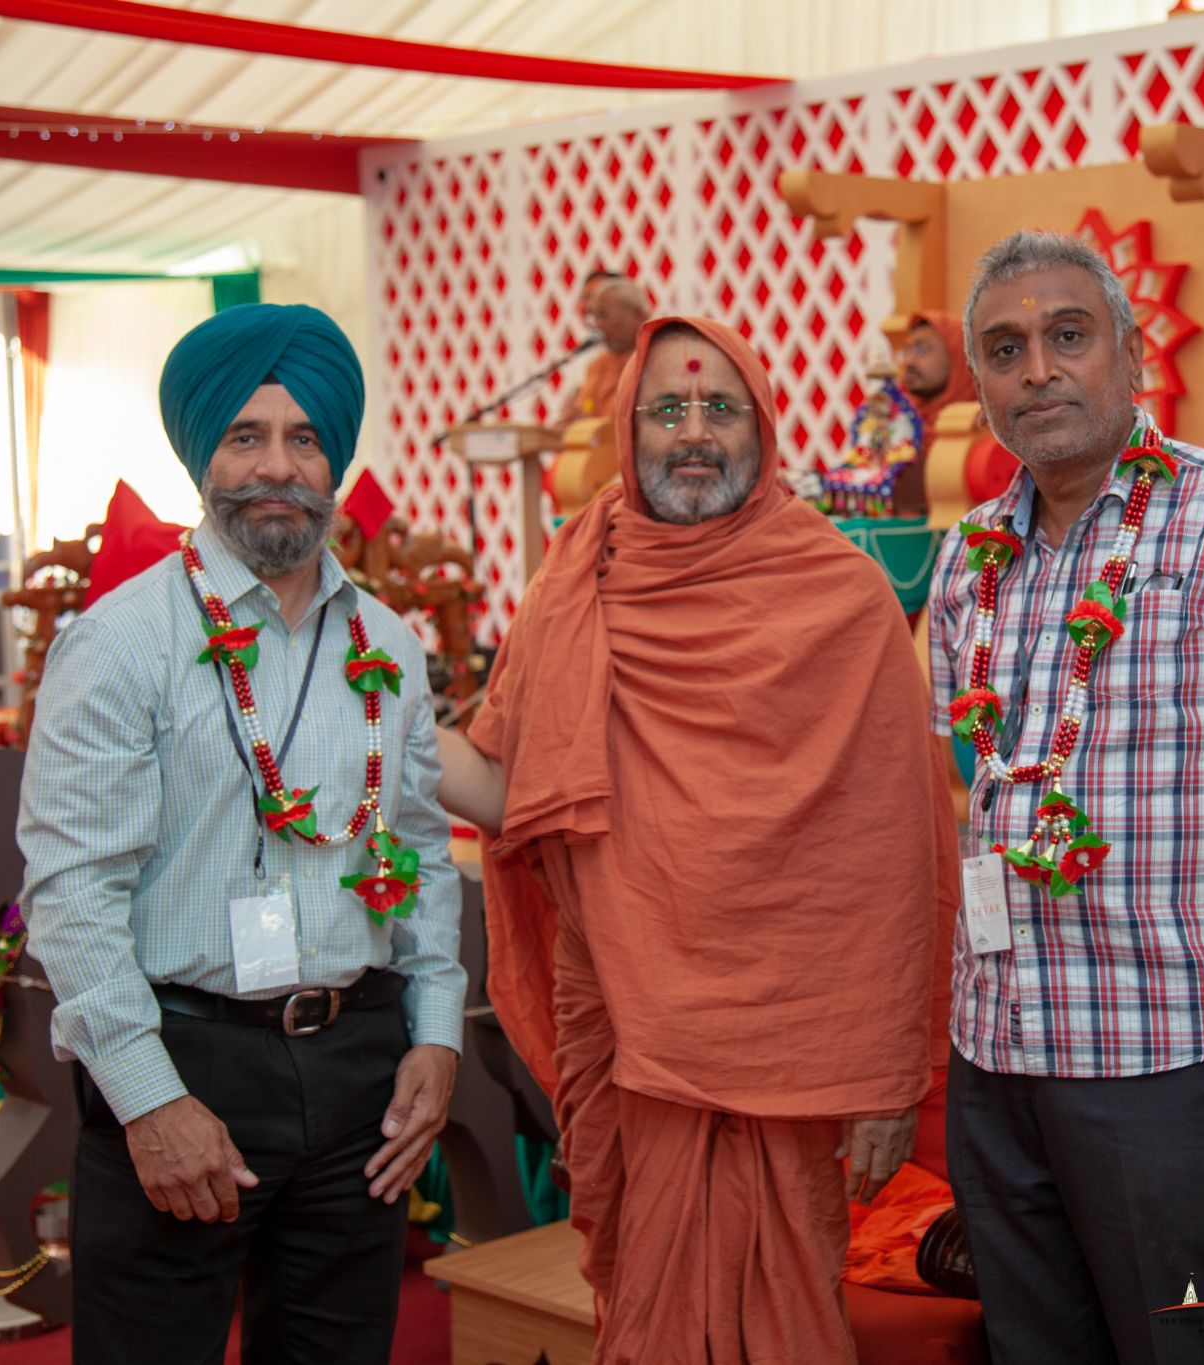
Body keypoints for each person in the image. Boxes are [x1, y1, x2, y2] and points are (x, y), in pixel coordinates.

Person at [439, 316, 956, 1365]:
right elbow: (510, 790)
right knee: (642, 1302)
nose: (691, 432)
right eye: (665, 409)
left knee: (781, 1316)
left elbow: (894, 863)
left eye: (719, 407)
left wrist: (888, 1079)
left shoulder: (842, 601)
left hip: (784, 1048)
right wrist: (363, 695)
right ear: (626, 432)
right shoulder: (569, 590)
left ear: (762, 428)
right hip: (627, 1032)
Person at [927, 232, 1204, 1363]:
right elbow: (963, 794)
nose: (1036, 369)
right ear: (978, 385)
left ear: (1131, 358)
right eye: (1004, 348)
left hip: (1170, 1068)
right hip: (996, 1058)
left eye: (1066, 336)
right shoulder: (966, 556)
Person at [20, 303, 465, 1365]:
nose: (278, 465)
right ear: (201, 455)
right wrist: (148, 1100)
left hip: (359, 1068)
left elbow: (420, 853)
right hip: (183, 1055)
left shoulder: (389, 646)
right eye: (246, 436)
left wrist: (436, 1033)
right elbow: (70, 892)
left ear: (335, 462)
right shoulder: (123, 644)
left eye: (305, 438)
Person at [552, 276, 650, 431]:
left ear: (637, 314)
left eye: (604, 315)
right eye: (594, 316)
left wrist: (587, 424)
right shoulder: (598, 364)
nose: (598, 325)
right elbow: (582, 413)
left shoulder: (654, 359)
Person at [896, 309, 978, 451]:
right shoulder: (897, 416)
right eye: (907, 350)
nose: (908, 361)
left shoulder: (981, 426)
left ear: (956, 356)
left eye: (921, 349)